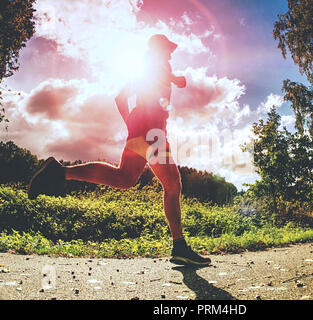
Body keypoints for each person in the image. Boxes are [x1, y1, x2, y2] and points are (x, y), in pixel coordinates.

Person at [28, 34, 211, 266]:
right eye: (168, 49)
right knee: (173, 184)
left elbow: (120, 98)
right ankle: (180, 247)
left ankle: (60, 172)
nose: (171, 53)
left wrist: (132, 125)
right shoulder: (158, 66)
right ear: (158, 49)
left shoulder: (148, 69)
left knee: (124, 178)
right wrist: (174, 79)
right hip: (151, 130)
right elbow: (151, 78)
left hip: (140, 130)